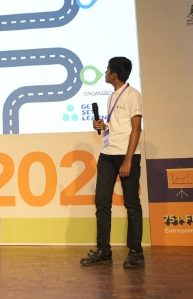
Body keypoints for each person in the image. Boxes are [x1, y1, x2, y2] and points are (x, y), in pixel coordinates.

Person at [80, 57, 144, 268]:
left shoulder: (133, 95)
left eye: (107, 69)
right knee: (102, 202)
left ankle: (135, 251)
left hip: (126, 155)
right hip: (107, 154)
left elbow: (136, 129)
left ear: (114, 74)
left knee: (131, 203)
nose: (105, 72)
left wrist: (128, 160)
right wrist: (104, 127)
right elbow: (118, 127)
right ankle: (103, 250)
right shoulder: (111, 96)